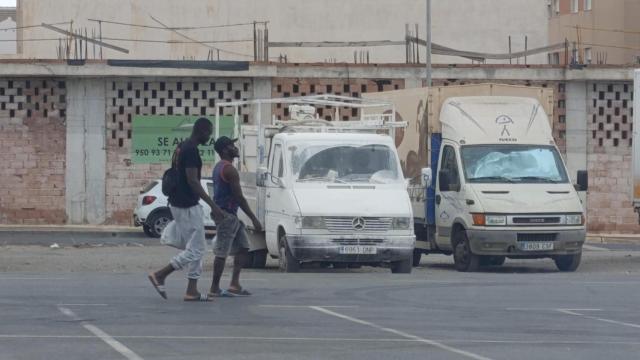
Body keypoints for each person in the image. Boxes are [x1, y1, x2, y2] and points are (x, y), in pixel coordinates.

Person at [148, 118, 225, 302]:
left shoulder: (181, 147)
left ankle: (192, 291)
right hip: (187, 205)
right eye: (209, 133)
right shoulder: (190, 150)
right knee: (198, 249)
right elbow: (192, 180)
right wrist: (213, 205)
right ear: (203, 131)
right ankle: (161, 274)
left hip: (178, 202)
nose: (210, 137)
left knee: (195, 247)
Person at [208, 136, 262, 297]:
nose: (235, 147)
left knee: (244, 247)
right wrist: (254, 218)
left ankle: (234, 284)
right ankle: (214, 288)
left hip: (229, 215)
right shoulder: (229, 169)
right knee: (222, 252)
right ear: (225, 149)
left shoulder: (219, 167)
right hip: (226, 215)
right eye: (232, 145)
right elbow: (239, 197)